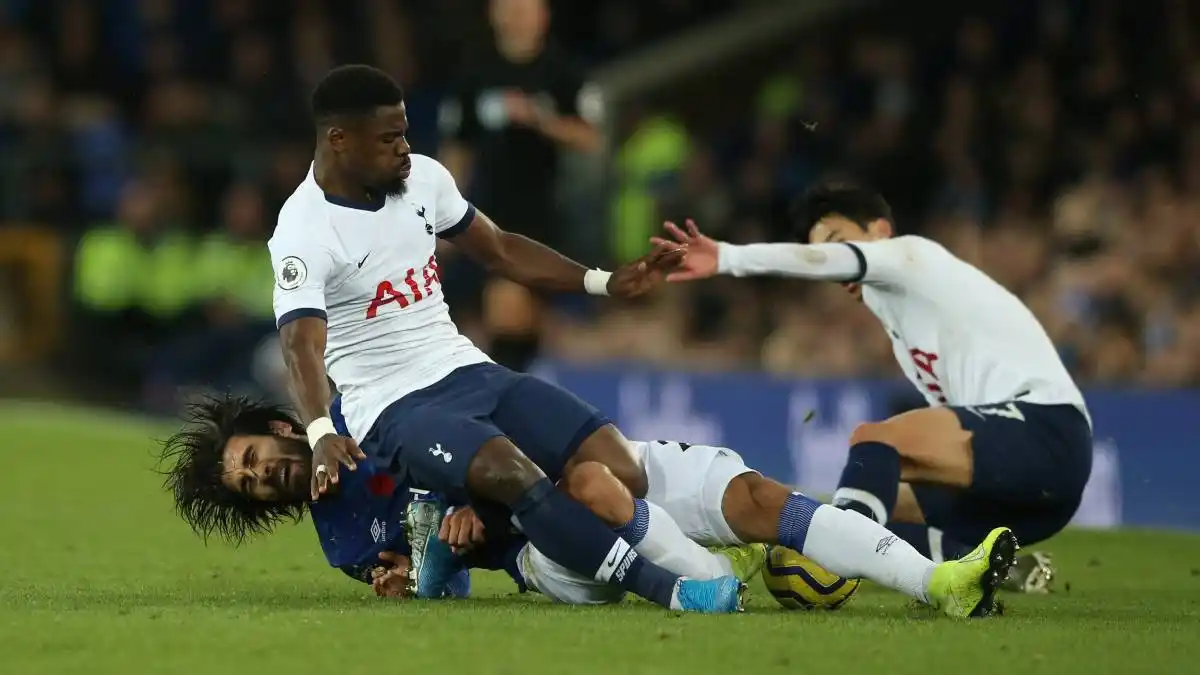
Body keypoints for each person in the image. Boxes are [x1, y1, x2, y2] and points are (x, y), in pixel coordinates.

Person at [268, 63, 741, 614]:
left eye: (405, 133)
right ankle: (676, 592)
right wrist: (320, 430)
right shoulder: (303, 230)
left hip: (467, 368)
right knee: (511, 474)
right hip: (393, 405)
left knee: (620, 466)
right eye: (389, 138)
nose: (404, 148)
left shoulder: (423, 179)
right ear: (339, 140)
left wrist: (602, 281)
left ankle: (454, 538)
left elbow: (500, 248)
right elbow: (301, 344)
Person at [157, 393, 1015, 618]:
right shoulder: (343, 540)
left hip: (589, 454)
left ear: (281, 428)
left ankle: (939, 580)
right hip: (547, 554)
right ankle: (712, 581)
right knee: (592, 492)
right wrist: (431, 564)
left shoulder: (370, 402)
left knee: (756, 494)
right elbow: (443, 589)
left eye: (254, 458)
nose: (263, 475)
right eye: (249, 484)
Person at [653, 181, 1091, 585]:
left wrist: (728, 257)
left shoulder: (910, 254)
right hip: (1034, 499)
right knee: (883, 498)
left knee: (876, 441)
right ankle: (993, 567)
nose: (832, 265)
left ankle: (833, 556)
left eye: (837, 243)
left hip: (1047, 432)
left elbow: (827, 263)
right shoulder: (908, 328)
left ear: (879, 231)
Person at [439, 0, 602, 371]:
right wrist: (440, 210)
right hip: (486, 216)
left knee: (511, 312)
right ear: (493, 12)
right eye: (509, 6)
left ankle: (513, 380)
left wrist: (541, 120)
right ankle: (515, 381)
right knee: (501, 311)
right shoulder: (475, 73)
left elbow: (590, 138)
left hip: (547, 215)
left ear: (544, 14)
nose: (516, 14)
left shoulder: (563, 72)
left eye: (526, 7)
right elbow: (458, 148)